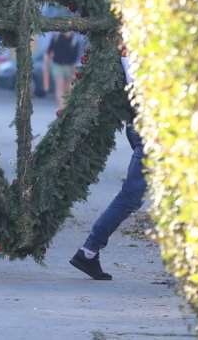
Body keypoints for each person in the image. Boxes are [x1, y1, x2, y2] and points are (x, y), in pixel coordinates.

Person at [70, 56, 146, 281]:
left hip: (139, 125)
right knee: (132, 196)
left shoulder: (128, 49)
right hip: (153, 130)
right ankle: (89, 251)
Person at [43, 30, 80, 108]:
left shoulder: (75, 40)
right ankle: (61, 106)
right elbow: (49, 51)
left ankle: (67, 105)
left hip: (69, 66)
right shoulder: (56, 37)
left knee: (68, 88)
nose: (68, 32)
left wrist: (74, 72)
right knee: (59, 86)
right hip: (57, 65)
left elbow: (74, 59)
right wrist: (46, 64)